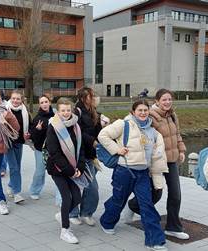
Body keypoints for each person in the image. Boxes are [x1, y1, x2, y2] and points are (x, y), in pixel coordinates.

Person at [98, 99, 168, 251]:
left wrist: (157, 182)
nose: (143, 113)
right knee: (118, 200)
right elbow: (103, 135)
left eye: (145, 110)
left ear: (148, 111)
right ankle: (107, 221)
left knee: (147, 205)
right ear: (133, 112)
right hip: (124, 171)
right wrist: (117, 149)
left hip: (143, 174)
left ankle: (154, 240)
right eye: (140, 110)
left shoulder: (154, 133)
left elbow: (156, 159)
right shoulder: (124, 124)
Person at [126, 89, 189, 240]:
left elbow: (177, 134)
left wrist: (181, 150)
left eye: (169, 99)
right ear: (157, 101)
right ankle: (133, 205)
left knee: (175, 194)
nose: (167, 102)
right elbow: (136, 124)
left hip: (172, 160)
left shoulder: (172, 115)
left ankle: (173, 227)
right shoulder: (151, 115)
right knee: (156, 194)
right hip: (156, 161)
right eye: (164, 100)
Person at [46, 98, 86, 244]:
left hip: (73, 168)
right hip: (58, 169)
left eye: (68, 110)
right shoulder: (53, 127)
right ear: (58, 111)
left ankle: (62, 215)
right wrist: (70, 170)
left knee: (77, 197)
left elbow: (80, 148)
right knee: (67, 198)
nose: (66, 113)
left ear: (72, 110)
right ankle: (65, 230)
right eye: (63, 110)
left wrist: (80, 167)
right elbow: (54, 152)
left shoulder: (76, 126)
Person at [69, 87, 101, 226]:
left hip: (91, 155)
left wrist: (102, 124)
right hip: (80, 155)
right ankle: (73, 213)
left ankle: (85, 213)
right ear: (83, 98)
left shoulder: (93, 111)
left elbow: (97, 131)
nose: (94, 98)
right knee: (86, 186)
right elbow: (78, 131)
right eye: (91, 96)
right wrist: (92, 141)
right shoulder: (77, 111)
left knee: (89, 187)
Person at [6, 90, 31, 203]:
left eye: (18, 99)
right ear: (10, 99)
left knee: (17, 167)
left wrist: (28, 133)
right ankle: (17, 193)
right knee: (14, 168)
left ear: (22, 100)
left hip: (19, 142)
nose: (15, 101)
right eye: (13, 98)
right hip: (8, 143)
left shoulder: (24, 111)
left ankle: (11, 185)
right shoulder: (5, 109)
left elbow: (29, 125)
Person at [29, 95, 55, 200]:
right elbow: (33, 136)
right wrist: (37, 130)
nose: (44, 104)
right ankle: (34, 190)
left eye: (46, 102)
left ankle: (60, 192)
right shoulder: (38, 118)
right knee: (40, 171)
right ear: (39, 105)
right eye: (42, 102)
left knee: (57, 171)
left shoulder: (55, 116)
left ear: (49, 102)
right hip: (41, 149)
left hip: (54, 149)